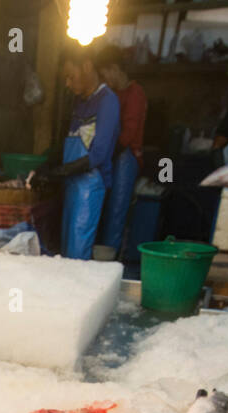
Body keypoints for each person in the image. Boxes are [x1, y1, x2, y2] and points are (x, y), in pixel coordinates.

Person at [31, 44, 120, 260]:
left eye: (71, 77)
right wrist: (46, 167)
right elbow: (68, 142)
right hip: (72, 186)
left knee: (78, 253)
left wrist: (59, 172)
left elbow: (98, 154)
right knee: (67, 250)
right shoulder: (80, 103)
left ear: (87, 66)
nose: (68, 84)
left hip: (90, 188)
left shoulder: (108, 101)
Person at [95, 45, 147, 256]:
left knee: (117, 211)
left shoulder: (135, 93)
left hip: (126, 156)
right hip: (111, 154)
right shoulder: (111, 94)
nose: (104, 78)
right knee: (104, 208)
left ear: (115, 68)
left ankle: (109, 260)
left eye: (105, 73)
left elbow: (128, 134)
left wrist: (105, 154)